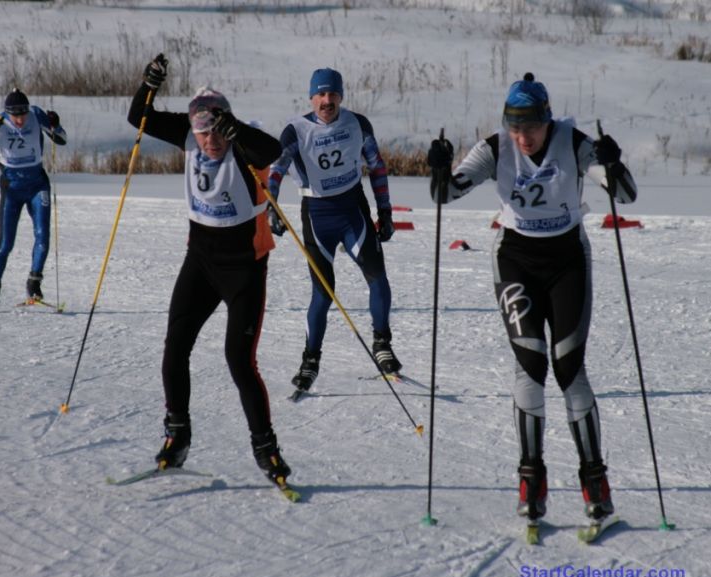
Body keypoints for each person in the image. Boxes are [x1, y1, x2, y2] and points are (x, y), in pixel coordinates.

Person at [426, 73, 637, 525]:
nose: (523, 137)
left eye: (532, 128)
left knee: (568, 366)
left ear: (548, 120)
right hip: (515, 258)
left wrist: (613, 164)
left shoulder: (571, 140)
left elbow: (625, 193)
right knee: (531, 363)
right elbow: (446, 193)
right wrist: (439, 167)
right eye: (515, 127)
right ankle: (530, 476)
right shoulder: (495, 147)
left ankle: (594, 478)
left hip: (567, 261)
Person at [127, 55, 292, 487]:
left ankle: (266, 450)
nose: (209, 140)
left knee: (239, 361)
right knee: (174, 346)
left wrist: (233, 126)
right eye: (203, 132)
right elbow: (138, 116)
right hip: (200, 261)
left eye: (217, 131)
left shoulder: (244, 145)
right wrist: (150, 84)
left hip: (244, 269)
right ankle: (176, 436)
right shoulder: (187, 137)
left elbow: (270, 151)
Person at [268, 67, 400, 393]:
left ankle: (382, 342)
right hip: (317, 216)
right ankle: (310, 359)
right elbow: (277, 170)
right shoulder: (295, 130)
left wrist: (385, 211)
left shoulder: (357, 123)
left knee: (377, 276)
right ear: (311, 96)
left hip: (353, 209)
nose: (327, 101)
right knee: (323, 293)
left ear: (341, 95)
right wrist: (271, 206)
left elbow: (377, 166)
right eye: (321, 95)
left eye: (333, 94)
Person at [0, 88, 67, 310]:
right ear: (7, 113)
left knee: (43, 235)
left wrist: (55, 123)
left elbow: (61, 139)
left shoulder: (35, 114)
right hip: (12, 188)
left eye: (22, 114)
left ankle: (34, 283)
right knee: (6, 243)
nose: (19, 119)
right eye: (15, 115)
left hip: (37, 184)